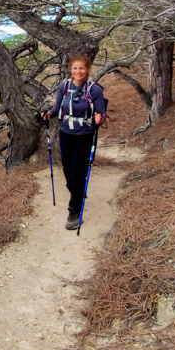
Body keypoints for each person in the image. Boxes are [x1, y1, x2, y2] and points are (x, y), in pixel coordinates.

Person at [41, 54, 107, 230]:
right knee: (68, 171)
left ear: (87, 70)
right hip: (66, 133)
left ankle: (74, 210)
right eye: (75, 68)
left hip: (85, 134)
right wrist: (48, 114)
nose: (78, 71)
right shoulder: (65, 86)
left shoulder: (95, 90)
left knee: (78, 171)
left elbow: (101, 112)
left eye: (82, 68)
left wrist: (99, 118)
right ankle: (77, 193)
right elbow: (57, 109)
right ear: (71, 69)